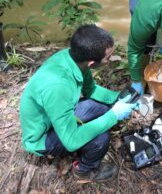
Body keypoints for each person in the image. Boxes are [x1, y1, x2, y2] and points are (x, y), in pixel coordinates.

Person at [19, 25, 138, 182]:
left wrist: (118, 98)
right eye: (107, 58)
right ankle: (84, 170)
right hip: (41, 136)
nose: (109, 61)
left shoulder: (73, 59)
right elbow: (71, 141)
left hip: (55, 116)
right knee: (101, 138)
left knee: (101, 107)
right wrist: (114, 115)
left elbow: (91, 90)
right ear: (91, 63)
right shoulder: (58, 86)